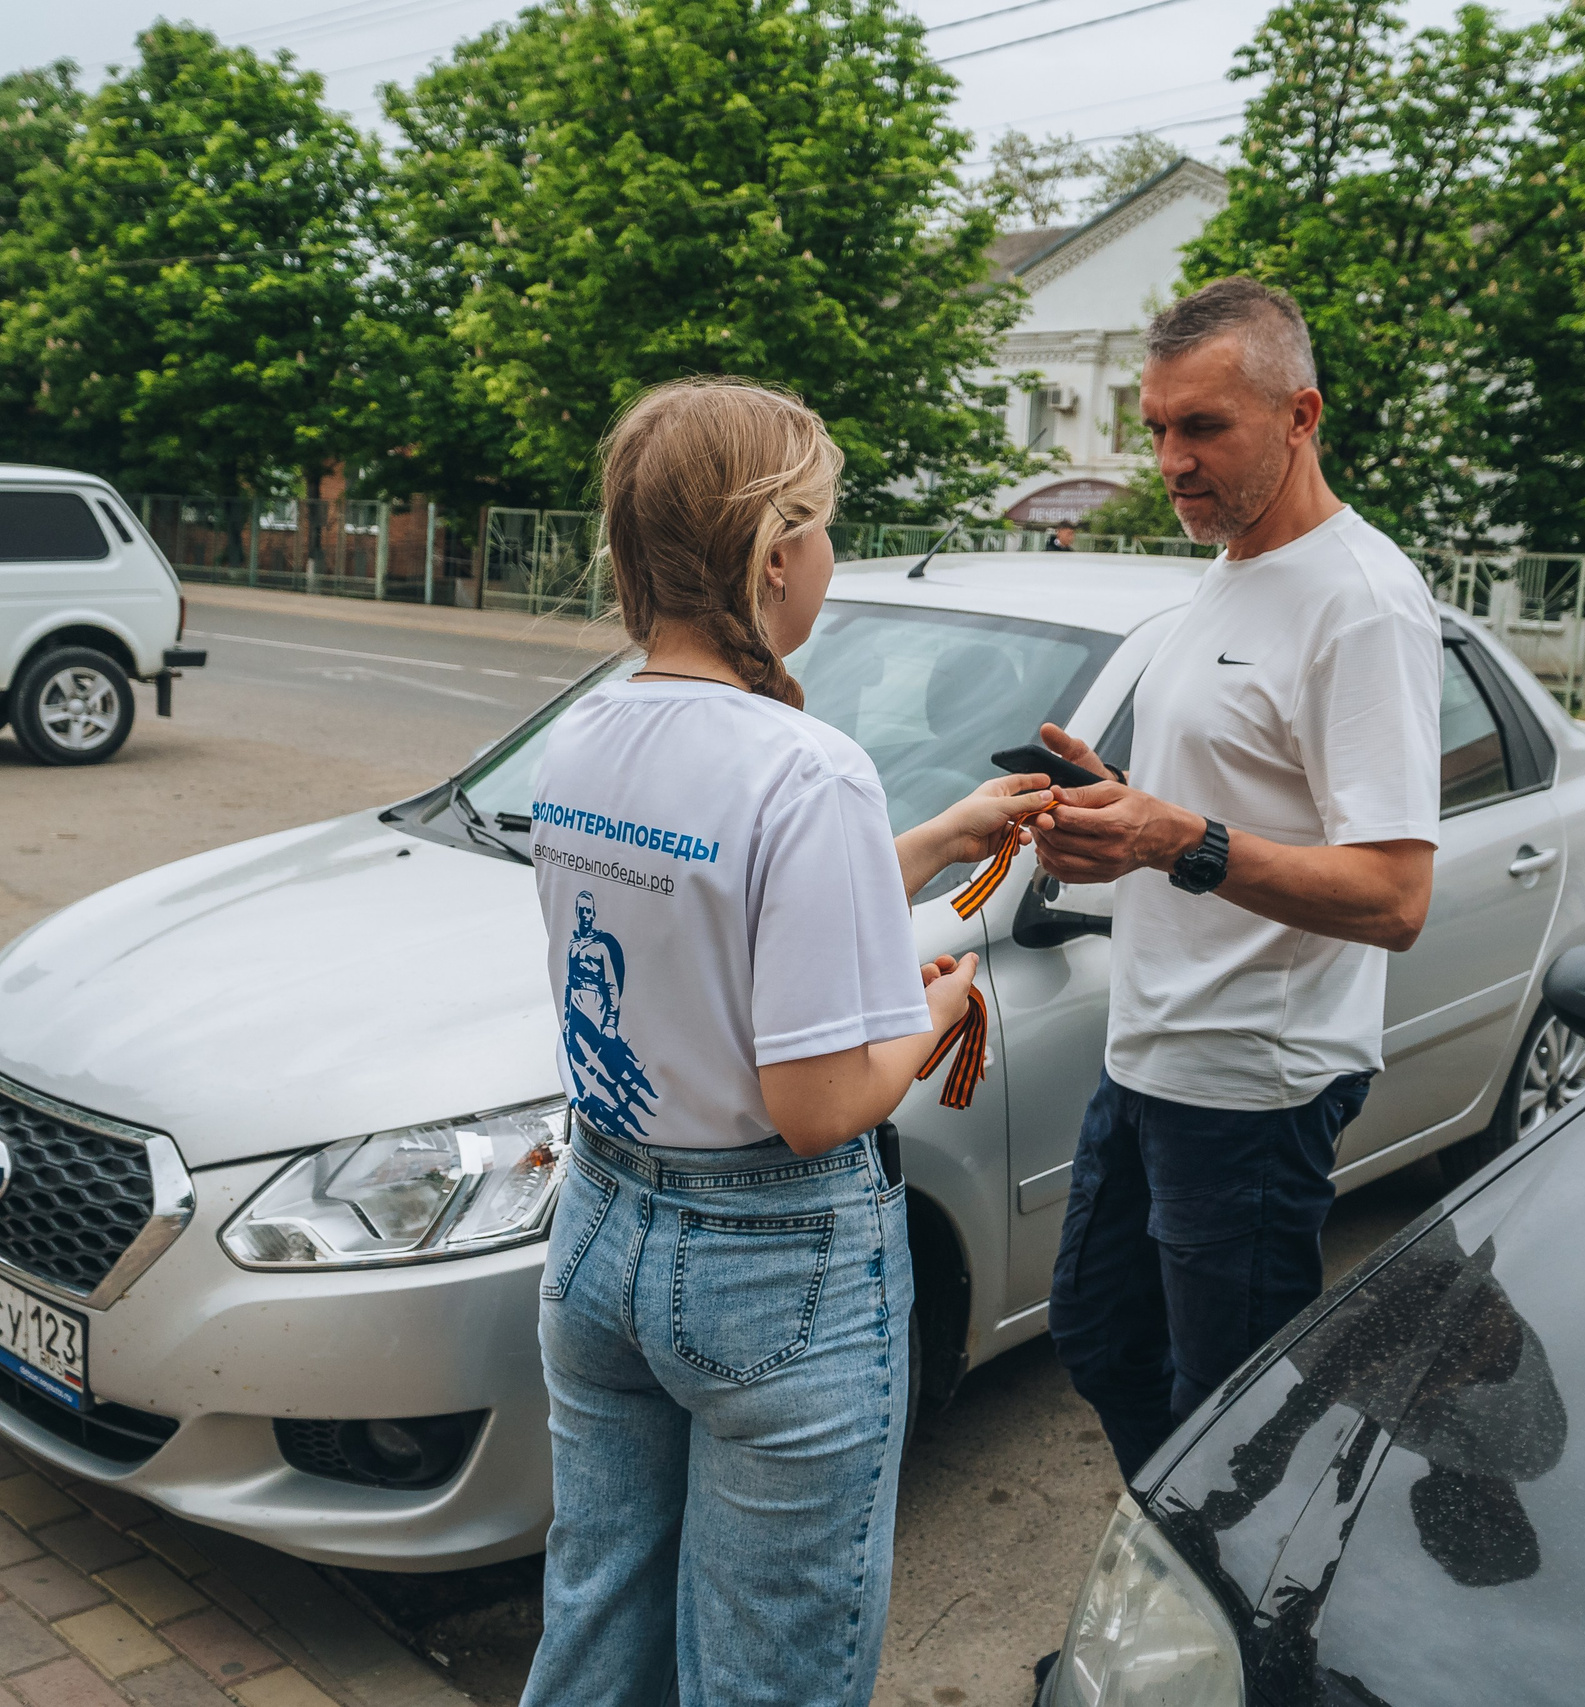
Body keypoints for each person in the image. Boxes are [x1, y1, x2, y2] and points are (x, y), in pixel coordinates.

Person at [519, 377, 1052, 1707]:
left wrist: (934, 841)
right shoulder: (805, 765)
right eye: (824, 526)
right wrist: (934, 1013)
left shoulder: (581, 732)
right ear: (773, 556)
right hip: (774, 1267)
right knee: (766, 1669)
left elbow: (714, 898)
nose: (831, 555)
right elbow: (819, 1105)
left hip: (598, 1227)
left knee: (598, 1624)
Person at [1028, 276, 1443, 1484]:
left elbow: (1392, 898)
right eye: (1155, 427)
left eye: (1202, 427)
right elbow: (1224, 796)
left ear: (1300, 415)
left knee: (1238, 1428)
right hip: (1149, 1053)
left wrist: (1176, 839)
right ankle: (1177, 1625)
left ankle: (1246, 1649)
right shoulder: (1229, 567)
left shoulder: (1362, 605)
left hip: (1255, 1088)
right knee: (1103, 1344)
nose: (1170, 460)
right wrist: (1112, 814)